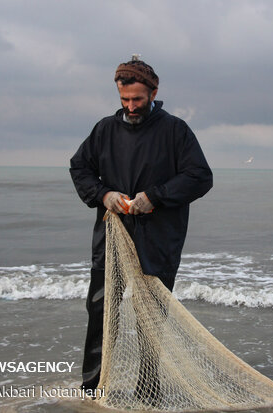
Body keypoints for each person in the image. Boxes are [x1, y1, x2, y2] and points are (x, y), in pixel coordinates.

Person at [69, 56, 213, 396]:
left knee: (151, 314)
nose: (131, 106)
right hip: (112, 235)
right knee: (102, 308)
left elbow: (200, 177)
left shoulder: (175, 130)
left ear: (154, 92)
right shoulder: (104, 129)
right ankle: (93, 385)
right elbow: (80, 168)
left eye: (137, 99)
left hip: (159, 236)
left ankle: (148, 390)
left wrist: (156, 196)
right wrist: (103, 194)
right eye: (124, 100)